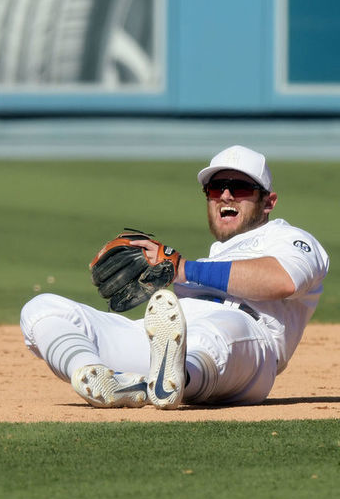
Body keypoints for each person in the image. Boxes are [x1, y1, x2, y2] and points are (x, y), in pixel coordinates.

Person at [20, 145, 329, 409]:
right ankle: (105, 379)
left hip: (250, 348)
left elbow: (283, 280)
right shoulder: (210, 260)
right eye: (215, 188)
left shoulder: (289, 239)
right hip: (167, 346)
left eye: (240, 187)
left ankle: (177, 380)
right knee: (42, 309)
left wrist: (182, 268)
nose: (225, 195)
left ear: (269, 202)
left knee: (218, 330)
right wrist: (164, 273)